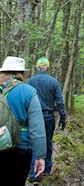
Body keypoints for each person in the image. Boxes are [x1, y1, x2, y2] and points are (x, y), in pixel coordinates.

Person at [0, 56, 47, 186]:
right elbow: (37, 128)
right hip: (20, 147)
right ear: (21, 73)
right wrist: (40, 156)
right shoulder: (28, 91)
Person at [28, 57, 67, 182]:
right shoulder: (53, 82)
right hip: (48, 116)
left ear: (37, 67)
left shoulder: (30, 82)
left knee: (33, 142)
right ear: (48, 68)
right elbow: (60, 101)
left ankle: (33, 171)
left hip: (32, 116)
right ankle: (47, 168)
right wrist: (63, 117)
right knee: (48, 142)